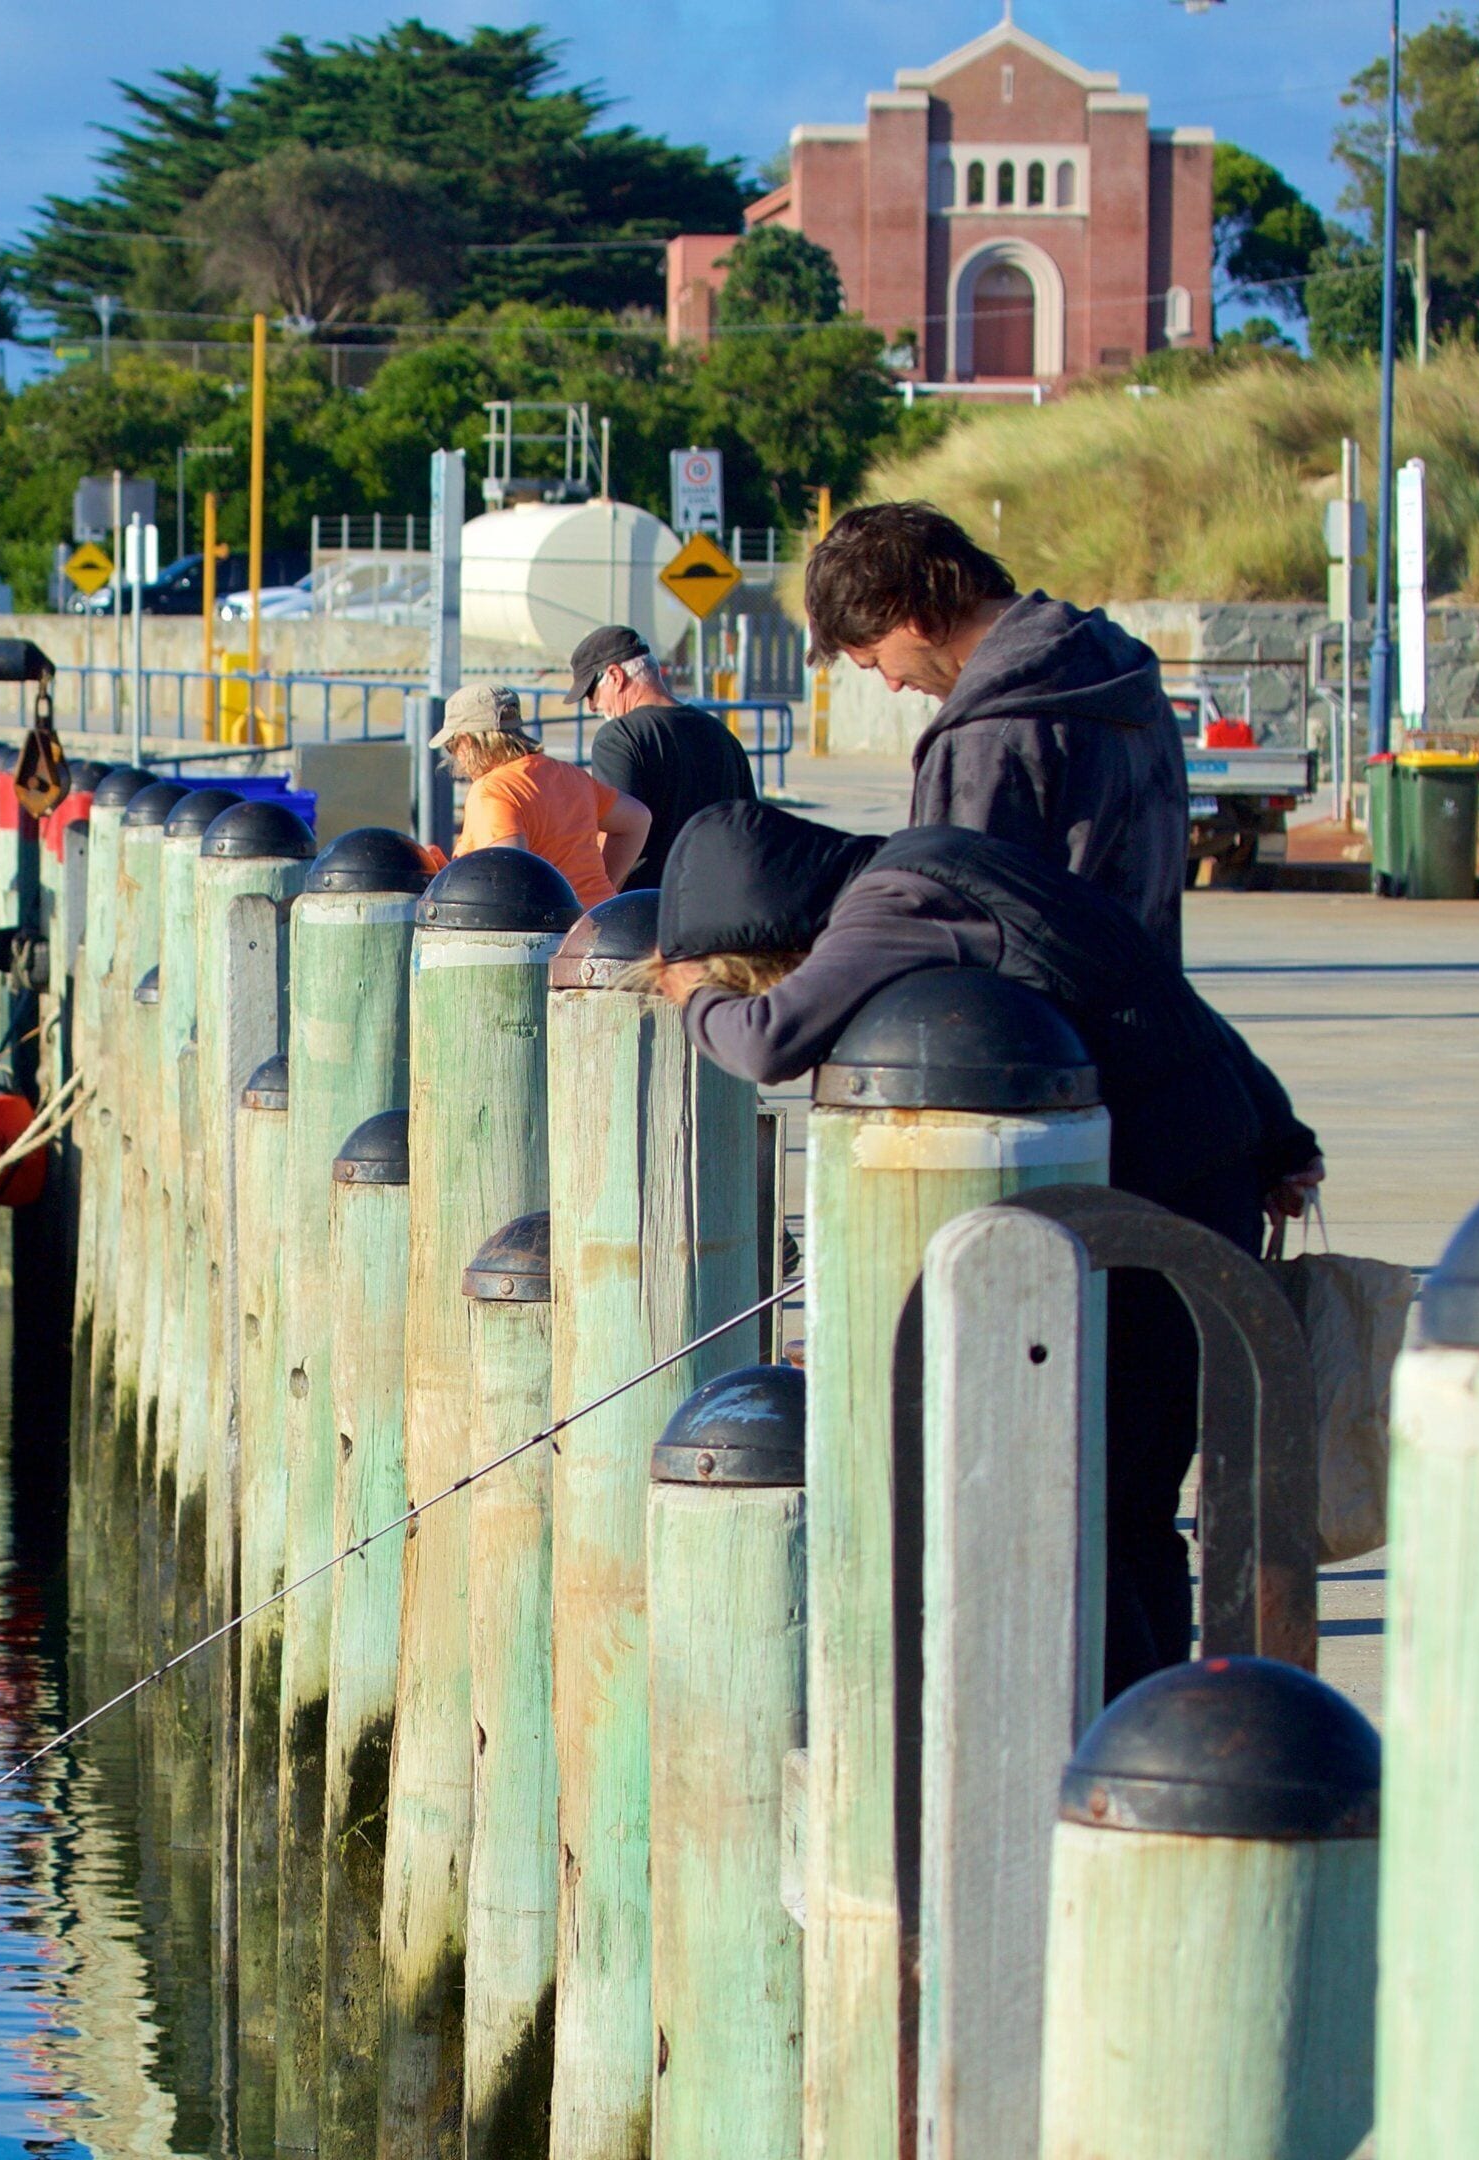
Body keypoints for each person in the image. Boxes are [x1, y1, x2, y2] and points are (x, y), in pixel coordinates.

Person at [641, 800, 1324, 1697]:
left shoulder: (894, 905)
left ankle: (1099, 1740)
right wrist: (1279, 1132)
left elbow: (770, 1040)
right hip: (1199, 1193)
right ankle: (1144, 1714)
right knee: (1133, 1505)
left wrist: (696, 998)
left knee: (1096, 1505)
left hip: (1149, 1215)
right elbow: (1160, 991)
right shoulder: (950, 863)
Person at [801, 500, 1192, 959]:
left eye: (875, 659)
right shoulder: (1123, 677)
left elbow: (953, 935)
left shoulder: (988, 735)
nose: (891, 683)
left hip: (1037, 1026)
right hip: (1153, 1015)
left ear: (909, 616)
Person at [566, 624, 756, 892]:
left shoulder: (619, 738)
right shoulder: (723, 736)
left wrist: (596, 905)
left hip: (647, 908)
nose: (592, 706)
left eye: (591, 692)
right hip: (716, 905)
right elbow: (749, 830)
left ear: (615, 676)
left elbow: (617, 831)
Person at [433, 683, 650, 907]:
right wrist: (603, 886)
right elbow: (637, 819)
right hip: (600, 919)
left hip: (551, 932)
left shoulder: (492, 791)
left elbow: (509, 872)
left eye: (452, 747)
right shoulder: (570, 774)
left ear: (468, 742)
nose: (456, 759)